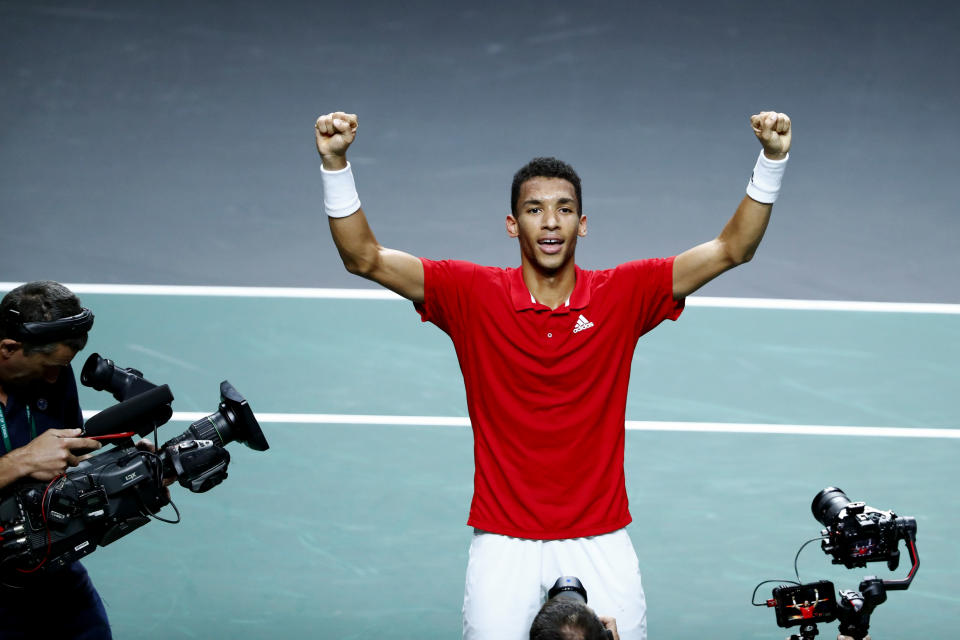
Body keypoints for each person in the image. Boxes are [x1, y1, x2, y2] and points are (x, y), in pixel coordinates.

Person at [315, 108, 791, 640]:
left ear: (582, 225)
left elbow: (733, 249)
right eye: (535, 210)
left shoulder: (624, 293)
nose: (550, 221)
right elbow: (364, 258)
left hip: (601, 535)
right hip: (503, 539)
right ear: (512, 224)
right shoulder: (470, 294)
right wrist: (335, 164)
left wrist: (772, 159)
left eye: (564, 209)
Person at [0, 281, 110, 639]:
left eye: (63, 367)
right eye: (49, 365)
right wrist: (20, 462)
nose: (56, 377)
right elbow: (33, 462)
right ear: (8, 348)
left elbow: (68, 465)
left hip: (52, 567)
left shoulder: (55, 377)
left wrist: (128, 470)